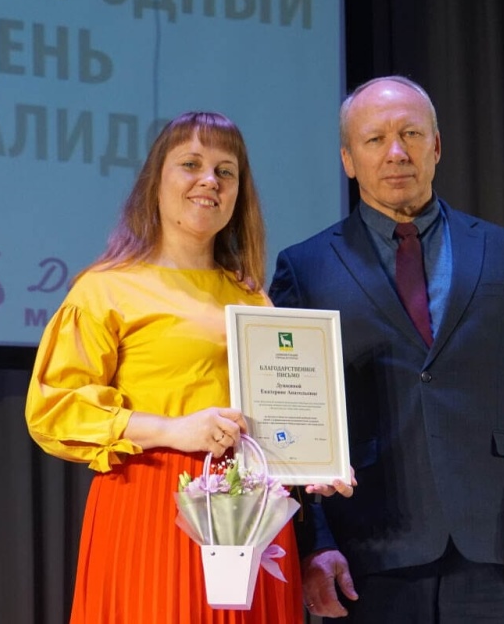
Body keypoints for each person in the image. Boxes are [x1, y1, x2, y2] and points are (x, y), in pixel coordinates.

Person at [268, 76, 504, 622]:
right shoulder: (305, 268)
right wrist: (314, 542)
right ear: (348, 160)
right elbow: (289, 420)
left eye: (411, 134)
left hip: (496, 549)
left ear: (436, 146)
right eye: (375, 140)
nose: (396, 152)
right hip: (365, 557)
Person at [26, 111, 350, 624]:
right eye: (191, 164)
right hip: (152, 506)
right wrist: (173, 430)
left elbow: (276, 416)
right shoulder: (106, 288)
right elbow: (56, 409)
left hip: (251, 511)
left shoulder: (252, 299)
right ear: (155, 181)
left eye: (226, 171)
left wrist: (314, 463)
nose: (209, 181)